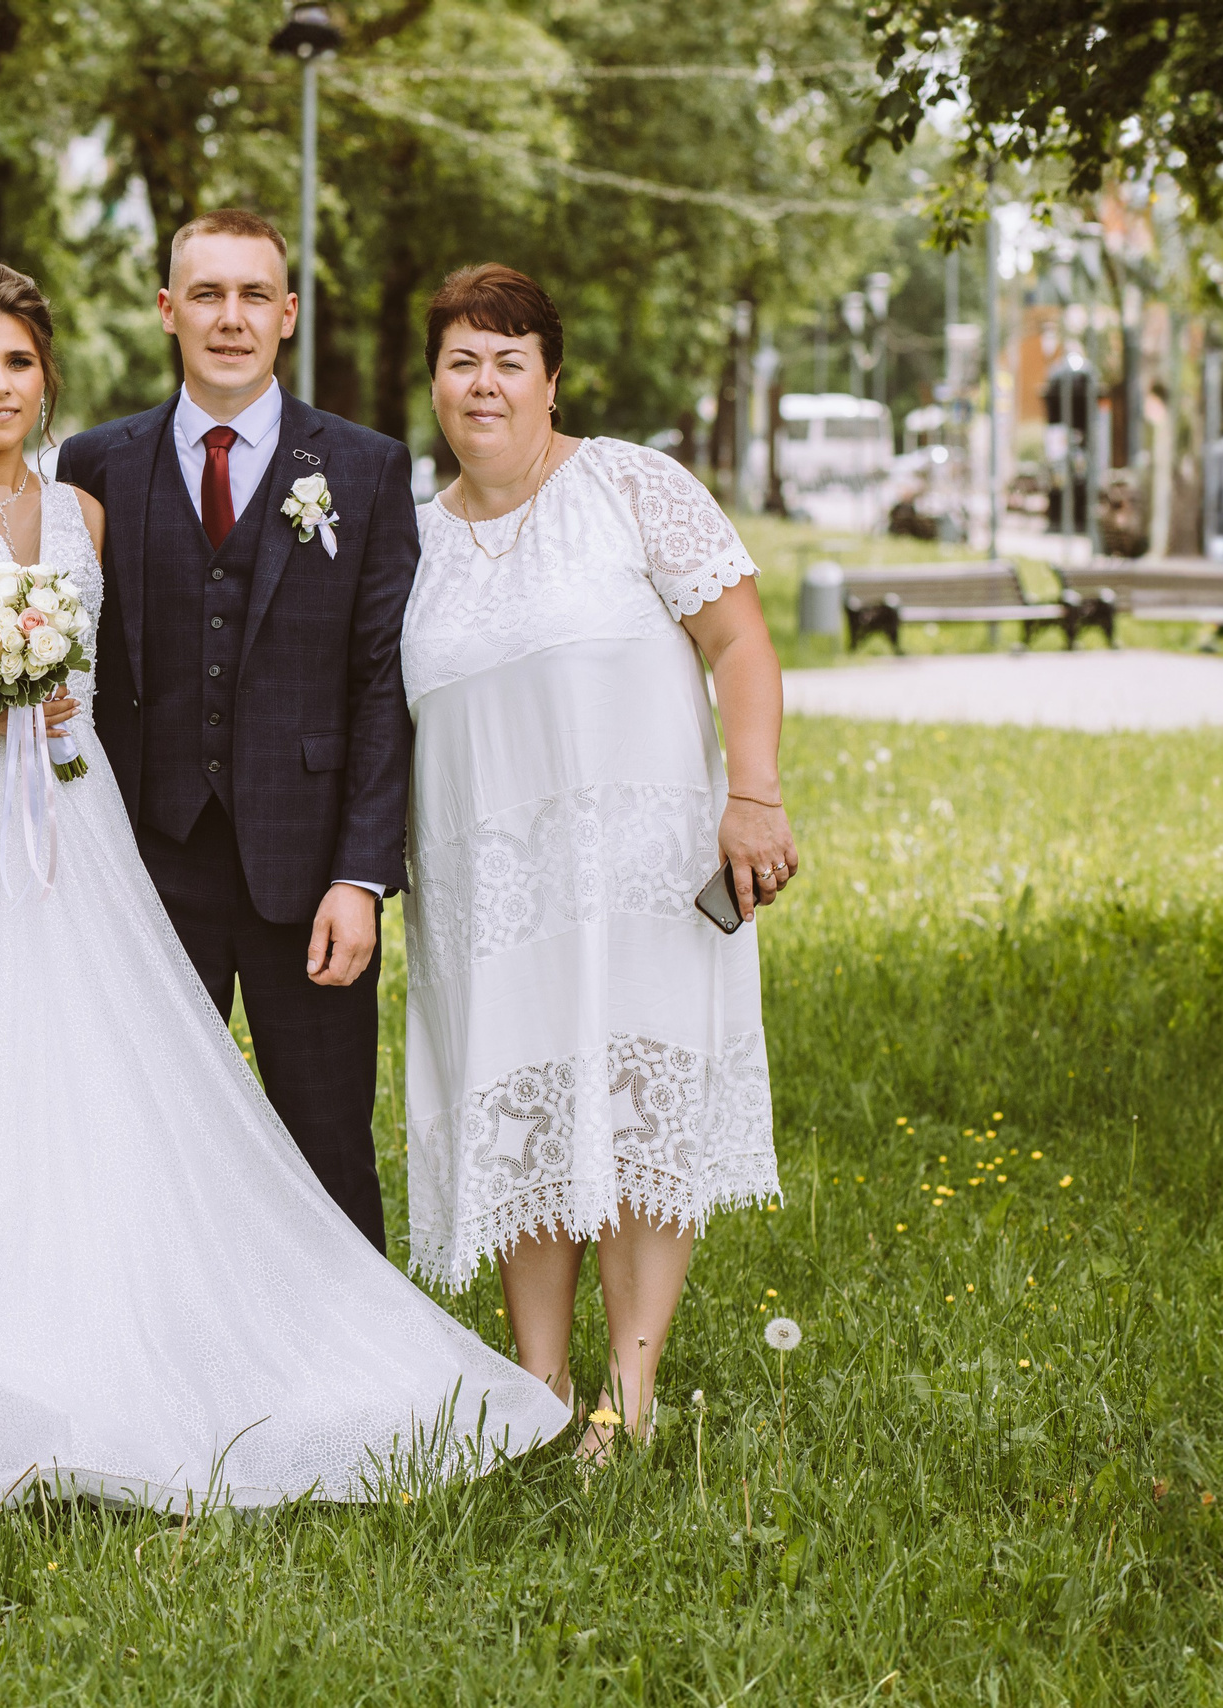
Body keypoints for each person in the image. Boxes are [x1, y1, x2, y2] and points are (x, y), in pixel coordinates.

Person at [0, 257, 566, 1529]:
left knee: (90, 1091)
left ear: (47, 375)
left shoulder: (79, 508)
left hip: (74, 830)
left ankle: (136, 1349)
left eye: (18, 362)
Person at [0, 209, 416, 1253]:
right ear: (168, 310)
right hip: (137, 861)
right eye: (206, 294)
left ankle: (351, 1342)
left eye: (253, 295)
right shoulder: (98, 465)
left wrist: (360, 874)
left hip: (306, 868)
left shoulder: (365, 467)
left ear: (288, 314)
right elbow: (45, 623)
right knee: (136, 1140)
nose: (230, 317)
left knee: (328, 1140)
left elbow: (380, 686)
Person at [399, 264, 791, 1462]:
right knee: (521, 1104)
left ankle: (627, 1391)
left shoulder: (631, 486)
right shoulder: (409, 541)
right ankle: (540, 1385)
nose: (484, 384)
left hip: (638, 873)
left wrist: (753, 794)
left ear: (550, 380)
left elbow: (739, 642)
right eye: (461, 361)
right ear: (432, 383)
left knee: (631, 1108)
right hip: (488, 890)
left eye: (508, 361)